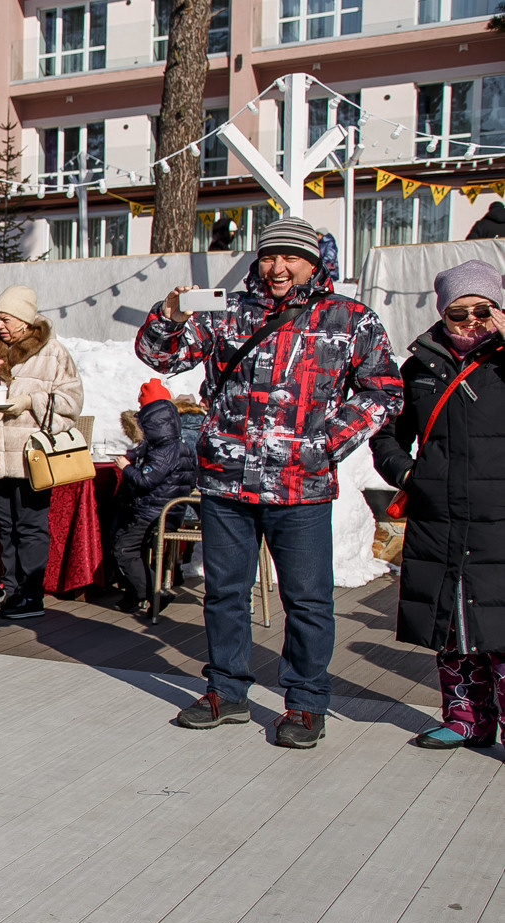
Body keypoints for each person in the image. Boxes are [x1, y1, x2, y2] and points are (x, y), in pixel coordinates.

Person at [142, 217, 401, 747]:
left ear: (315, 262)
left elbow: (384, 393)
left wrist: (325, 443)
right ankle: (227, 691)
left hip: (299, 485)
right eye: (268, 257)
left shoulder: (351, 319)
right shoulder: (227, 313)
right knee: (225, 593)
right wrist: (168, 316)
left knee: (307, 599)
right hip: (226, 482)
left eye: (291, 258)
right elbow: (162, 357)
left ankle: (306, 702)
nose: (278, 268)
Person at [371, 259, 505, 749]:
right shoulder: (419, 367)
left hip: (500, 517)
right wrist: (407, 474)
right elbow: (387, 433)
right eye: (459, 312)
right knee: (450, 621)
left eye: (482, 309)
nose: (471, 321)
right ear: (442, 314)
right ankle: (465, 719)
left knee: (502, 623)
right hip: (439, 515)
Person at [0, 284, 82, 621]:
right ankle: (10, 587)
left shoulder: (53, 353)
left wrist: (30, 401)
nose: (0, 325)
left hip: (31, 454)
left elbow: (71, 401)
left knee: (31, 524)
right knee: (6, 525)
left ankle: (31, 595)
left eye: (6, 318)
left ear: (24, 320)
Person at [110, 378, 198, 618]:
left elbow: (147, 480)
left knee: (123, 548)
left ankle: (154, 593)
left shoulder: (164, 450)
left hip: (154, 512)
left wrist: (126, 468)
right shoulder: (175, 445)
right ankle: (139, 592)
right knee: (121, 537)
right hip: (166, 509)